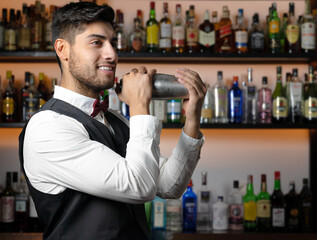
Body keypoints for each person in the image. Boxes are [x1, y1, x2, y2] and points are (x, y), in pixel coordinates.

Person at [19, 2, 206, 240]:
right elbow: (139, 186)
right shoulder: (47, 127)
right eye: (97, 42)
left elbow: (170, 185)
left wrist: (192, 119)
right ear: (63, 49)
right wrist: (139, 105)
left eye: (113, 43)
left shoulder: (116, 121)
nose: (113, 55)